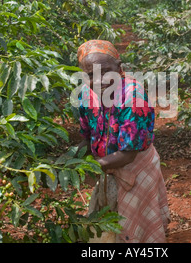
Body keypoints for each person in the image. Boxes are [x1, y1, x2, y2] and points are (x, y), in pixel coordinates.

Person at [76, 40, 170, 243]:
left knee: (134, 230)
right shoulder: (85, 95)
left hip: (135, 169)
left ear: (120, 69)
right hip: (108, 168)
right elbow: (87, 137)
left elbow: (128, 154)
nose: (100, 79)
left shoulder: (132, 96)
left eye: (106, 71)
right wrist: (67, 161)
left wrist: (88, 166)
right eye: (92, 74)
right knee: (108, 227)